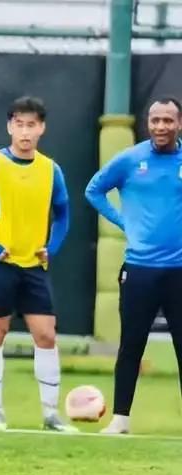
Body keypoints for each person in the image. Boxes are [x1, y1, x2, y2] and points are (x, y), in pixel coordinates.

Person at [0, 96, 75, 432]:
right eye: (19, 124)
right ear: (9, 126)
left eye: (31, 125)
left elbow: (63, 214)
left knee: (46, 335)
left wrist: (53, 247)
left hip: (34, 267)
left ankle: (51, 416)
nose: (25, 132)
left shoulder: (51, 170)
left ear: (42, 128)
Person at [85, 96, 182, 435]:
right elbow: (94, 190)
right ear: (148, 123)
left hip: (179, 272)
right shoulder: (130, 159)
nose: (161, 126)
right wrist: (123, 221)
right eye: (155, 120)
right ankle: (121, 419)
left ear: (179, 124)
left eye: (168, 120)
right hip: (139, 270)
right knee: (131, 346)